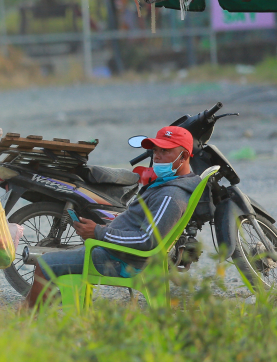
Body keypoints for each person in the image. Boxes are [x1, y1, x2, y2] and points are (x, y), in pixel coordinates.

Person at [24, 126, 201, 309]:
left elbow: (147, 240)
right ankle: (32, 310)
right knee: (56, 259)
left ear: (184, 156)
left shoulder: (171, 195)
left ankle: (27, 317)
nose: (157, 156)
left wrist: (98, 232)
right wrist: (104, 230)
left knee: (45, 263)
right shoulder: (169, 184)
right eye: (155, 150)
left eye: (165, 151)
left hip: (122, 260)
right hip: (119, 252)